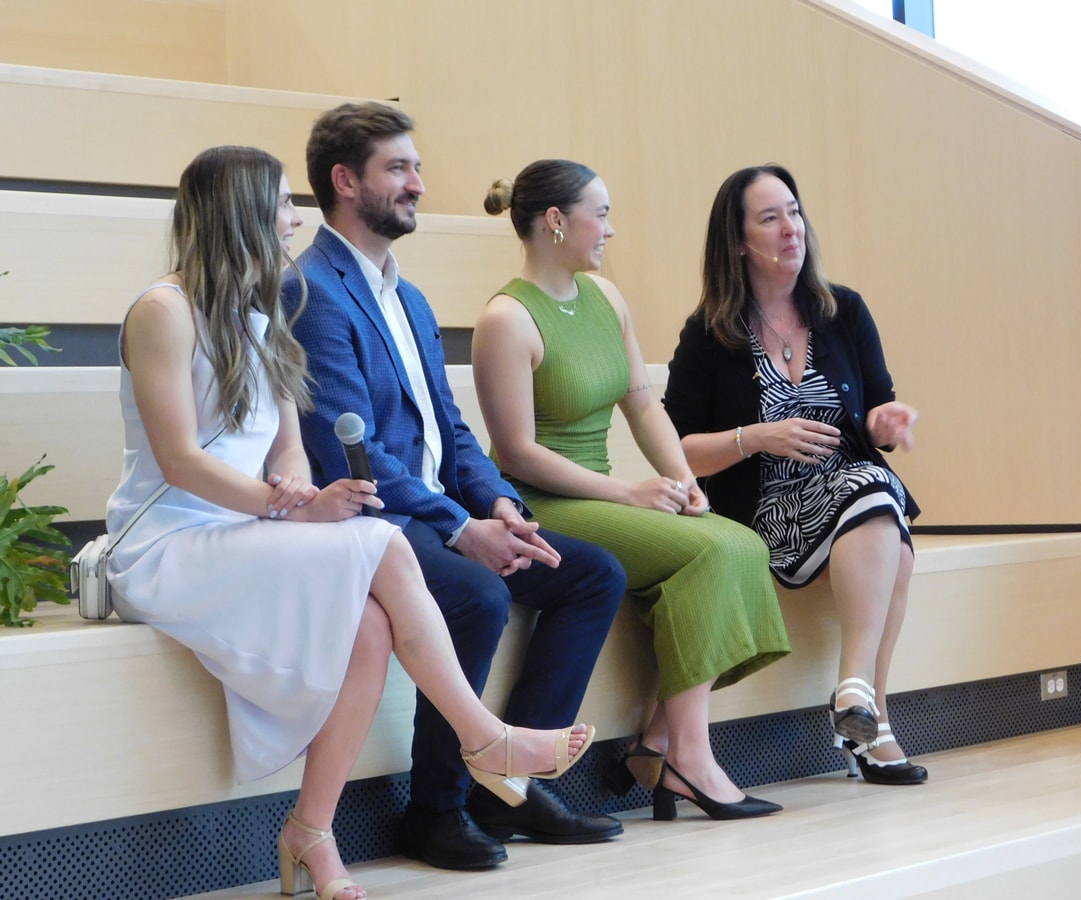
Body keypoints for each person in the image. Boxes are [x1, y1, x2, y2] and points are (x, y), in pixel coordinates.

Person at [105, 146, 596, 900]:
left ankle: (312, 831)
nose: (293, 219)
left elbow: (288, 448)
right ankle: (485, 739)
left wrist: (301, 493)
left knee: (369, 625)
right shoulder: (162, 313)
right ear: (240, 211)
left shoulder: (261, 316)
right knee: (382, 542)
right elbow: (180, 462)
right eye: (279, 205)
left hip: (245, 530)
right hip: (171, 539)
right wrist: (289, 508)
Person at [282, 104, 626, 871]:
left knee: (590, 574)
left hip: (440, 506)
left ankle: (505, 786)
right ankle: (434, 810)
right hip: (375, 516)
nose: (418, 184)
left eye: (417, 167)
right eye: (398, 168)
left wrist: (498, 502)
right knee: (476, 593)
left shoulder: (407, 296)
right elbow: (351, 451)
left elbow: (453, 430)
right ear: (345, 181)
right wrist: (459, 525)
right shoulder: (311, 291)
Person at [473, 159, 790, 823]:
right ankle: (686, 758)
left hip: (602, 495)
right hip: (548, 501)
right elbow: (521, 454)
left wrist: (682, 480)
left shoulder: (607, 299)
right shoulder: (506, 319)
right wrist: (626, 494)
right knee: (714, 554)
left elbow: (644, 406)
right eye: (602, 214)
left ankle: (663, 741)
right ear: (557, 222)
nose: (611, 230)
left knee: (736, 542)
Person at [663, 164, 927, 785]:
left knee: (878, 496)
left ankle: (859, 697)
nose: (791, 228)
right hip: (761, 506)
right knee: (883, 506)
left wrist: (887, 423)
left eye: (795, 211)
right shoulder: (708, 333)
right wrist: (757, 437)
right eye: (770, 217)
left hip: (848, 492)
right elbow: (674, 450)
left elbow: (875, 412)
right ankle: (869, 711)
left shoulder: (844, 311)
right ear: (737, 242)